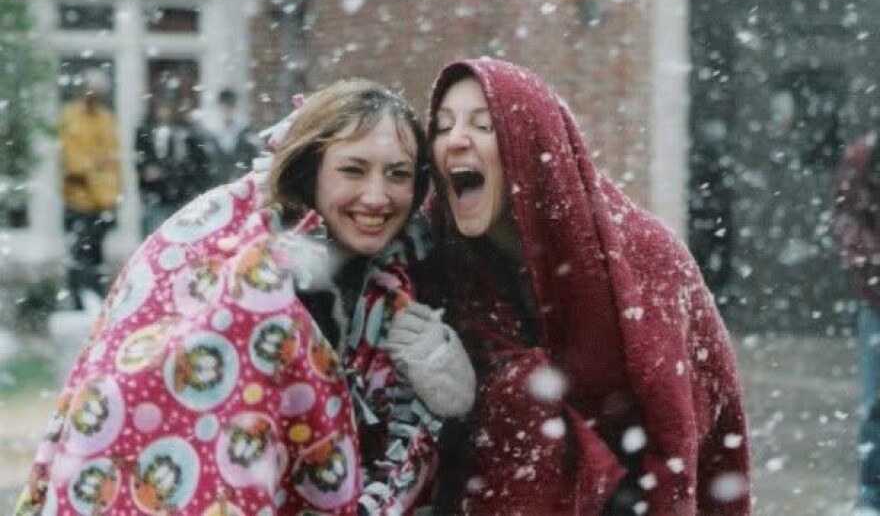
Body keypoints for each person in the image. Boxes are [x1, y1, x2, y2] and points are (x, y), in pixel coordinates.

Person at [16, 79, 474, 515]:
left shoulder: (401, 281)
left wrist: (439, 395)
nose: (377, 196)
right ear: (309, 169)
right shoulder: (232, 267)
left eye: (397, 174)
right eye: (353, 169)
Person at [414, 58, 751, 515]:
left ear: (529, 146)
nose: (455, 141)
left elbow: (697, 421)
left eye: (483, 125)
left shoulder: (642, 256)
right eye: (442, 126)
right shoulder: (436, 263)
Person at [833, 130, 880, 514]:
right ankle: (870, 495)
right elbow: (847, 223)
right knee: (875, 404)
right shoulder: (865, 157)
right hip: (878, 302)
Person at [58, 68, 122, 310]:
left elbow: (113, 162)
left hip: (102, 202)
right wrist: (97, 168)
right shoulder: (70, 116)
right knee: (78, 257)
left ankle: (95, 303)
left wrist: (110, 195)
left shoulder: (106, 119)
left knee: (96, 257)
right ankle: (78, 303)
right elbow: (73, 162)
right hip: (78, 201)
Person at [135, 94, 214, 237]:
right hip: (158, 197)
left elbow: (195, 164)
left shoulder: (186, 133)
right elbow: (142, 165)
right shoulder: (146, 131)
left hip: (180, 196)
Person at [203, 87, 261, 186]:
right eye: (225, 106)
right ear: (220, 107)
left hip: (240, 187)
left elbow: (252, 163)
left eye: (230, 105)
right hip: (217, 187)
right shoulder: (211, 135)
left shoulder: (245, 134)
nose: (227, 110)